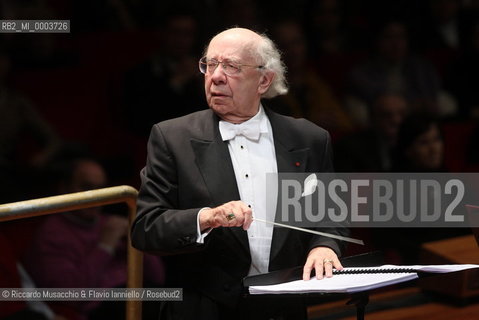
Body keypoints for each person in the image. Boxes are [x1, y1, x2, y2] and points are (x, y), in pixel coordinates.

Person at [131, 27, 349, 320]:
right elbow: (146, 228)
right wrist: (207, 217)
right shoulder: (172, 137)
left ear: (263, 80)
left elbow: (329, 216)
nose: (216, 76)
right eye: (209, 64)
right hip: (203, 308)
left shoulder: (309, 138)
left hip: (283, 308)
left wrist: (325, 246)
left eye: (232, 66)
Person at [23, 158, 164, 320]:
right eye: (86, 187)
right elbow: (70, 296)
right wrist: (105, 246)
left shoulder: (111, 222)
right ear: (64, 188)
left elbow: (157, 277)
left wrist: (138, 241)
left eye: (100, 189)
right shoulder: (52, 233)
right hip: (102, 306)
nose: (96, 196)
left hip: (137, 292)